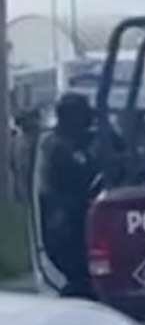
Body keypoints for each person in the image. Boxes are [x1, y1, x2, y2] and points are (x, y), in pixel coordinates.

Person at [36, 92, 98, 297]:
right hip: (67, 221)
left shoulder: (84, 141)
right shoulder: (55, 146)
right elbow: (75, 178)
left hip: (83, 215)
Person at [8, 108, 38, 204]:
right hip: (22, 183)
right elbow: (13, 164)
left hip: (35, 184)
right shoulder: (17, 141)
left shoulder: (41, 141)